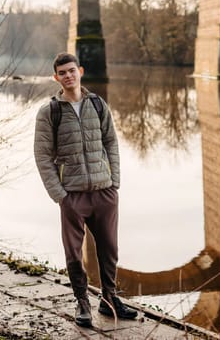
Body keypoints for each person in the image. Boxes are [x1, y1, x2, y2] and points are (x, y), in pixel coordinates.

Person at [34, 52, 138, 327]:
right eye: (62, 73)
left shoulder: (98, 105)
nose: (68, 76)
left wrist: (114, 181)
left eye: (72, 70)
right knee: (73, 253)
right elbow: (42, 156)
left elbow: (111, 143)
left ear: (80, 71)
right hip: (73, 194)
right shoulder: (50, 112)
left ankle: (109, 299)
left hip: (104, 191)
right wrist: (60, 195)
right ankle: (82, 301)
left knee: (109, 248)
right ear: (56, 78)